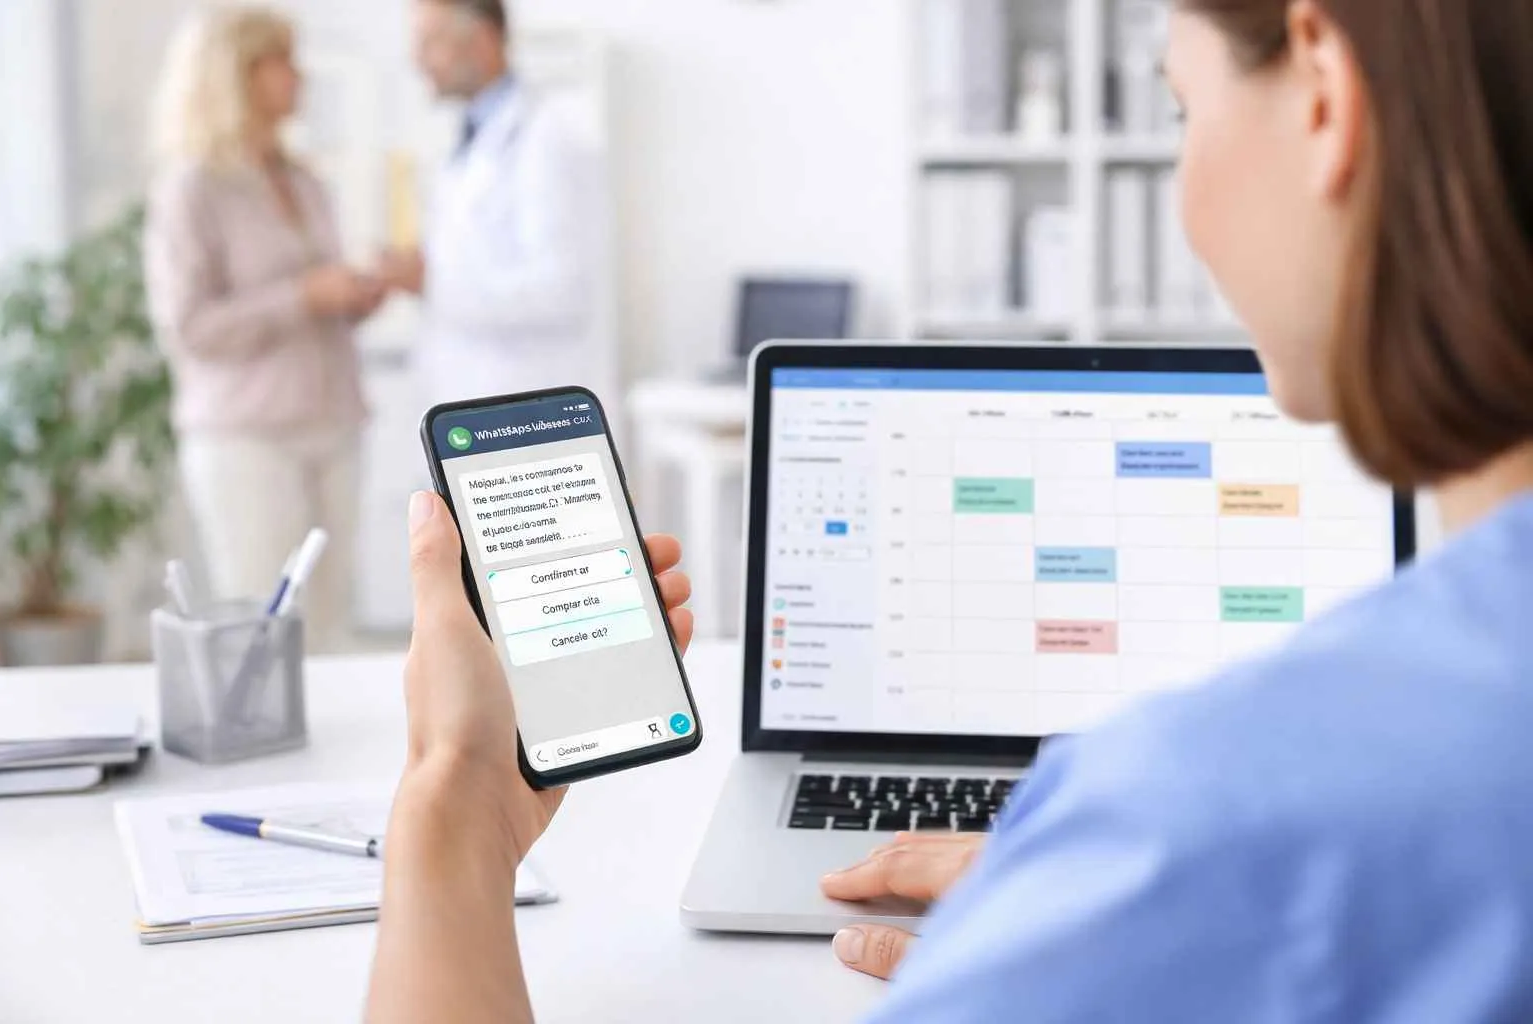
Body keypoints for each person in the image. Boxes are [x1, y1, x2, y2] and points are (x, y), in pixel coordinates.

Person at [367, 0, 1533, 1020]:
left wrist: (457, 811)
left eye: (1183, 109)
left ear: (1324, 90)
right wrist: (1086, 904)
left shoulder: (1201, 824)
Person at [144, 7, 383, 653]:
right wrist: (303, 295)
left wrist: (354, 294)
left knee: (331, 623)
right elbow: (188, 327)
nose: (299, 75)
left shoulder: (303, 179)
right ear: (237, 75)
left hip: (334, 423)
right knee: (264, 626)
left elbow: (316, 295)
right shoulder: (192, 189)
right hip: (247, 436)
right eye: (282, 61)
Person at [381, 0, 615, 417]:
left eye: (431, 42)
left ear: (483, 40)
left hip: (525, 403)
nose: (418, 60)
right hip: (475, 399)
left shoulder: (548, 139)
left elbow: (559, 291)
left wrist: (430, 282)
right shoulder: (471, 138)